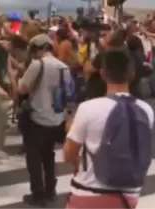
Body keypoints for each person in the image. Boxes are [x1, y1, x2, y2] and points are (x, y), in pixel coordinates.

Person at [64, 49, 154, 208]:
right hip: (129, 195)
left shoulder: (88, 108)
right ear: (132, 74)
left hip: (90, 192)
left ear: (103, 74)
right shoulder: (146, 110)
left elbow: (69, 153)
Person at [18, 34, 70, 206]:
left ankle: (38, 194)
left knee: (34, 157)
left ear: (37, 49)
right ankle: (51, 190)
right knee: (49, 155)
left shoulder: (37, 65)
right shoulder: (64, 67)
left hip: (37, 118)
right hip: (56, 119)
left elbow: (22, 88)